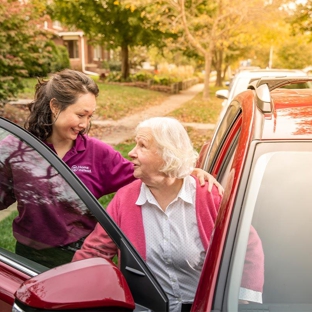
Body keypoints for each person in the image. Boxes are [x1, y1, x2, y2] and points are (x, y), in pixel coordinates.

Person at [0, 69, 222, 268]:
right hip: (30, 256)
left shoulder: (98, 153)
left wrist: (186, 172)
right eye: (80, 115)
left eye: (89, 116)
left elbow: (146, 173)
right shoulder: (15, 149)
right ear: (55, 106)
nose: (85, 124)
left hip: (84, 253)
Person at [73, 117, 263, 311]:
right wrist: (71, 288)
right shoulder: (125, 199)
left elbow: (247, 244)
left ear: (167, 155)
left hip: (203, 307)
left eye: (142, 146)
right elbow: (95, 251)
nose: (131, 152)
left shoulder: (207, 196)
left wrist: (242, 298)